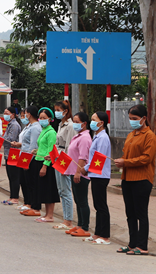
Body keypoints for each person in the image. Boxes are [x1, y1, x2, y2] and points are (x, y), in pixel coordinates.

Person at [115, 105, 156, 255]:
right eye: (130, 119)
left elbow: (146, 158)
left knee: (141, 213)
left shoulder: (149, 136)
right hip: (127, 178)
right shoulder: (131, 135)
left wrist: (125, 162)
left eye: (135, 119)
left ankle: (142, 246)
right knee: (130, 213)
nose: (132, 121)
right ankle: (132, 244)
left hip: (142, 179)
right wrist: (122, 160)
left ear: (144, 118)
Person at [78, 111, 112, 245]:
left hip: (100, 174)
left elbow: (99, 158)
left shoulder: (103, 138)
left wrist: (86, 168)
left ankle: (105, 235)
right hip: (95, 173)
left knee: (101, 205)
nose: (91, 122)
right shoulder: (97, 136)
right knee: (97, 205)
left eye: (94, 119)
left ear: (101, 123)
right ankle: (98, 233)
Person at [65, 112, 92, 238]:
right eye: (74, 121)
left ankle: (85, 227)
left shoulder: (85, 138)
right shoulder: (77, 136)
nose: (74, 124)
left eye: (77, 122)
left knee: (82, 201)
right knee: (77, 199)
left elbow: (83, 157)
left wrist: (78, 172)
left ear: (84, 123)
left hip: (79, 173)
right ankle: (80, 224)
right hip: (72, 171)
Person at [33, 108, 61, 223]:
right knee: (43, 189)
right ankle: (46, 214)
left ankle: (50, 215)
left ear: (50, 119)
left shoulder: (51, 132)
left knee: (49, 189)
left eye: (45, 118)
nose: (42, 120)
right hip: (39, 160)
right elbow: (42, 147)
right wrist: (36, 151)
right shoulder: (43, 130)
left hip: (47, 163)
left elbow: (51, 150)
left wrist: (45, 166)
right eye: (41, 118)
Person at [53, 100, 75, 230]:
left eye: (58, 110)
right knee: (61, 190)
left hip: (64, 159)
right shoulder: (61, 124)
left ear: (65, 111)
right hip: (57, 157)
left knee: (66, 190)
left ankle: (68, 220)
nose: (56, 113)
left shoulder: (70, 126)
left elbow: (69, 146)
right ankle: (65, 218)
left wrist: (64, 163)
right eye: (55, 110)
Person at [2, 107, 21, 205]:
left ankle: (15, 197)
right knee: (10, 175)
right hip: (7, 152)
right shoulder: (9, 124)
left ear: (13, 114)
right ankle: (11, 196)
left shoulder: (14, 125)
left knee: (14, 176)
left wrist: (1, 138)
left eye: (7, 113)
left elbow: (11, 138)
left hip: (13, 153)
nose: (5, 114)